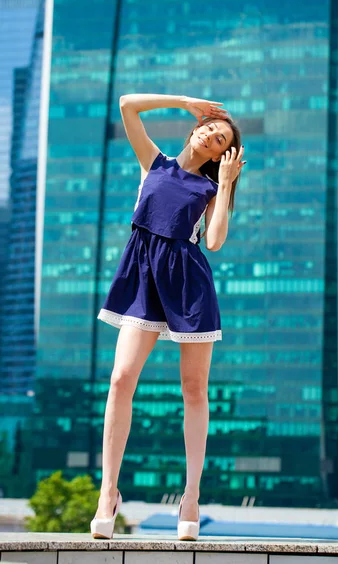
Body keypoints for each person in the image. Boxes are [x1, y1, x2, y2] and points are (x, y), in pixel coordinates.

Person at [90, 94, 245, 541]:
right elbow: (127, 106)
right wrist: (185, 101)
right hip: (142, 277)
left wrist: (228, 183)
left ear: (221, 157)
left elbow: (213, 242)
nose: (212, 139)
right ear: (196, 128)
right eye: (211, 130)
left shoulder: (210, 188)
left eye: (221, 142)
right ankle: (108, 493)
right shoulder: (154, 163)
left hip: (187, 285)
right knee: (121, 380)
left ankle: (191, 497)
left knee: (194, 389)